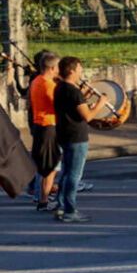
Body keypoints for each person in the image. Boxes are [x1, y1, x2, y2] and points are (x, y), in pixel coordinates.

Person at [49, 57, 106, 222]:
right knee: (74, 175)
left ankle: (61, 206)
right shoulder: (73, 91)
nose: (82, 71)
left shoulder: (60, 88)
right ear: (72, 71)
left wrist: (84, 97)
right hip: (76, 137)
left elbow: (74, 109)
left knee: (66, 173)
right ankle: (70, 210)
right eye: (80, 68)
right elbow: (87, 116)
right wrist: (101, 104)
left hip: (64, 134)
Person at [27, 50, 58, 210]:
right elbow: (58, 107)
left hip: (38, 124)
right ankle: (43, 200)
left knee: (44, 164)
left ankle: (42, 197)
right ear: (52, 68)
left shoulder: (36, 81)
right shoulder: (49, 85)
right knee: (49, 166)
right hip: (49, 125)